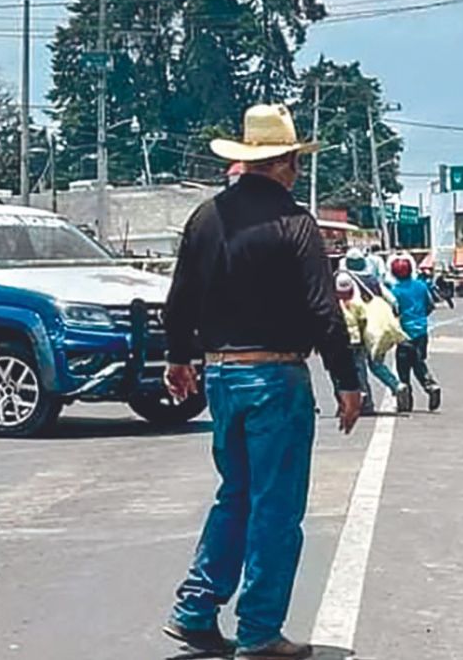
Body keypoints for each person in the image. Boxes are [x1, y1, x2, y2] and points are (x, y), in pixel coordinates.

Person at [161, 104, 363, 660]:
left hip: (224, 375)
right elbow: (325, 312)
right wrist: (347, 381)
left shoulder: (205, 218)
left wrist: (180, 358)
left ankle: (196, 609)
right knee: (276, 507)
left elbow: (179, 302)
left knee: (236, 496)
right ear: (289, 162)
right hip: (276, 377)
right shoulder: (296, 224)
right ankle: (258, 630)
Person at [335, 271, 408, 415]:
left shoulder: (339, 301)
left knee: (356, 372)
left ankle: (363, 403)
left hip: (348, 341)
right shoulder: (372, 282)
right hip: (373, 335)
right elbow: (392, 300)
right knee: (375, 365)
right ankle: (396, 385)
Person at [391, 253, 441, 413]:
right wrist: (420, 318)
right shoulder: (420, 286)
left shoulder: (394, 291)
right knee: (418, 361)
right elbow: (431, 304)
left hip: (404, 334)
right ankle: (430, 385)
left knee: (403, 368)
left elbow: (393, 311)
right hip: (421, 332)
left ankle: (406, 399)